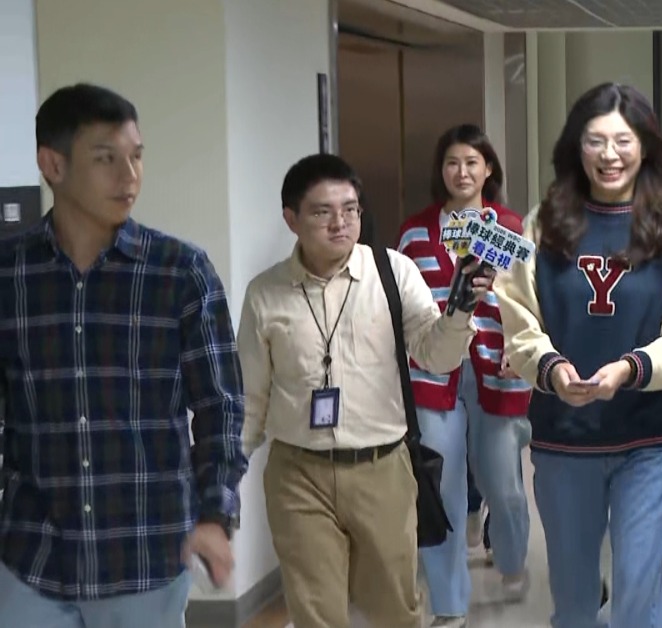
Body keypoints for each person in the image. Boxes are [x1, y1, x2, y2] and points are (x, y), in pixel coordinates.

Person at [0, 83, 246, 626]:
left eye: (136, 157)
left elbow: (220, 406)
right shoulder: (10, 272)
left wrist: (215, 513)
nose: (129, 176)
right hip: (31, 557)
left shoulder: (179, 271)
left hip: (146, 555)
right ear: (53, 165)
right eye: (106, 159)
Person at [238, 154, 495, 628]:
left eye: (350, 209)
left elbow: (436, 356)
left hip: (382, 467)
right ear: (291, 218)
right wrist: (223, 479)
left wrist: (459, 311)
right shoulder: (265, 293)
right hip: (298, 473)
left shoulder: (393, 272)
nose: (340, 222)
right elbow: (251, 396)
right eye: (323, 212)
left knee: (393, 609)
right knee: (315, 611)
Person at [493, 82, 662, 628]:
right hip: (565, 436)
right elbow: (518, 317)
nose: (609, 155)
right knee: (574, 600)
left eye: (623, 141)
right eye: (595, 141)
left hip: (649, 436)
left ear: (645, 147)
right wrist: (551, 370)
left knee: (639, 594)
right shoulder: (542, 224)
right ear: (576, 145)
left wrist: (630, 369)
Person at [395, 123, 533, 625]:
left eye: (472, 162)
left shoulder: (510, 228)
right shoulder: (416, 232)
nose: (462, 172)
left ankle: (512, 556)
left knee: (504, 484)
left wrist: (521, 348)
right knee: (442, 486)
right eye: (452, 163)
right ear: (441, 170)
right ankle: (449, 603)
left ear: (488, 168)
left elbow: (529, 299)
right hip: (433, 372)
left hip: (498, 368)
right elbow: (401, 303)